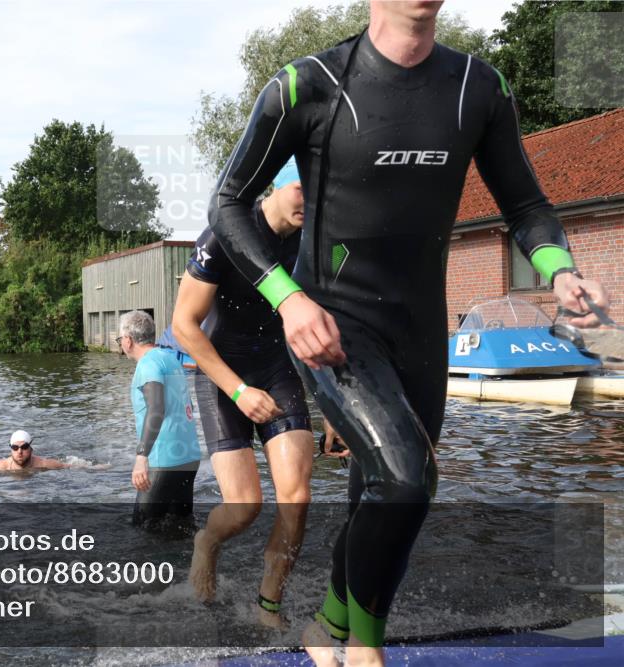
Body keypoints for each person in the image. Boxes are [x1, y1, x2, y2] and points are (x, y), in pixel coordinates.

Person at [204, 2, 611, 663]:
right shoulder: (308, 85)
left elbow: (527, 204)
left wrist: (559, 271)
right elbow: (227, 204)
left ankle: (325, 628)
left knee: (385, 492)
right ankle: (365, 649)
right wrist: (288, 299)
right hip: (330, 326)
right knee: (408, 477)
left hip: (421, 331)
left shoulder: (479, 86)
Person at [174, 181, 323, 627]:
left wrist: (335, 410)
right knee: (246, 506)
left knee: (296, 498)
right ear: (275, 185)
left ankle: (268, 605)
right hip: (221, 372)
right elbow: (183, 324)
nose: (309, 201)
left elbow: (331, 321)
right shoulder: (224, 233)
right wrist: (238, 390)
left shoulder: (313, 240)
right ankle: (207, 542)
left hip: (276, 368)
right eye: (303, 188)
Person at [119, 311, 202, 532]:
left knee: (142, 531)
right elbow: (188, 406)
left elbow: (156, 409)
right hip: (189, 457)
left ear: (128, 340)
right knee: (180, 529)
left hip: (163, 459)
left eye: (120, 339)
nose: (121, 344)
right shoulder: (170, 358)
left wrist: (141, 456)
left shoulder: (147, 364)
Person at [0, 430, 69, 471]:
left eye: (24, 447)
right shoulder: (0, 466)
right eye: (15, 448)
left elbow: (73, 466)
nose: (19, 451)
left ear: (31, 449)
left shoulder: (44, 464)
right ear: (11, 450)